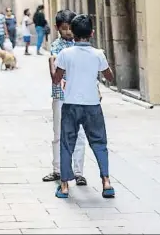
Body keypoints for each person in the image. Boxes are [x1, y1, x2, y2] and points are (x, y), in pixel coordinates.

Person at [51, 14, 115, 199]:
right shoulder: (98, 54)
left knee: (66, 143)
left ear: (73, 32)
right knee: (99, 143)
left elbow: (56, 79)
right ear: (92, 33)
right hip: (92, 105)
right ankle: (106, 182)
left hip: (71, 104)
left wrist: (57, 69)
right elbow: (109, 77)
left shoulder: (65, 54)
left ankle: (64, 186)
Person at [44, 10, 88, 186]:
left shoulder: (83, 45)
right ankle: (58, 169)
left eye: (71, 28)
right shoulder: (56, 46)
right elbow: (54, 71)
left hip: (80, 95)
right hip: (61, 95)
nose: (69, 32)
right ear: (57, 28)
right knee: (59, 133)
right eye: (64, 29)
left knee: (79, 134)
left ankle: (78, 172)